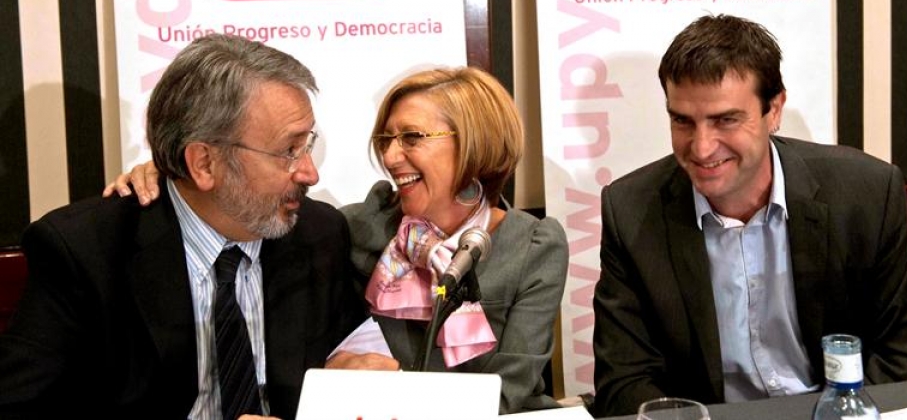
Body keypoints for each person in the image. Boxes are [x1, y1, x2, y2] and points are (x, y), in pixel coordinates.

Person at [106, 66, 570, 415]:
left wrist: (401, 391)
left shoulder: (534, 246)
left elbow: (511, 392)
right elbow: (244, 207)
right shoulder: (358, 227)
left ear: (477, 141)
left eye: (411, 137)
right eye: (386, 138)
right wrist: (172, 178)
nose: (390, 156)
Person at [0, 34, 366, 419]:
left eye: (307, 144)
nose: (310, 172)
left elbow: (344, 373)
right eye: (288, 151)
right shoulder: (86, 252)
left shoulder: (319, 234)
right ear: (204, 164)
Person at [591, 14, 907, 417]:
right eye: (682, 121)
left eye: (726, 120)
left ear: (774, 110)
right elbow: (623, 383)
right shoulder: (632, 210)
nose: (702, 148)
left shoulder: (865, 195)